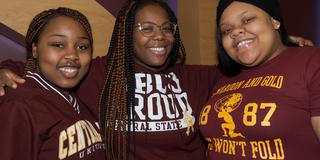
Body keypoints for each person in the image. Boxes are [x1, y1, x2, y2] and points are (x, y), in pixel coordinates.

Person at [0, 0, 315, 160]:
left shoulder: (200, 77)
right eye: (146, 28)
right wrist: (4, 68)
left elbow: (252, 68)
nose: (160, 36)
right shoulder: (95, 73)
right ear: (126, 33)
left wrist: (284, 46)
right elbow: (52, 64)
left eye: (167, 28)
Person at [199, 0, 320, 159]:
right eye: (227, 30)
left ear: (274, 20)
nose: (235, 32)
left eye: (247, 20)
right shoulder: (222, 78)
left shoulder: (312, 62)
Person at [0, 7, 105, 160]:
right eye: (58, 45)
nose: (72, 55)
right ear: (35, 50)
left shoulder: (82, 94)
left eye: (82, 47)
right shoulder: (19, 104)